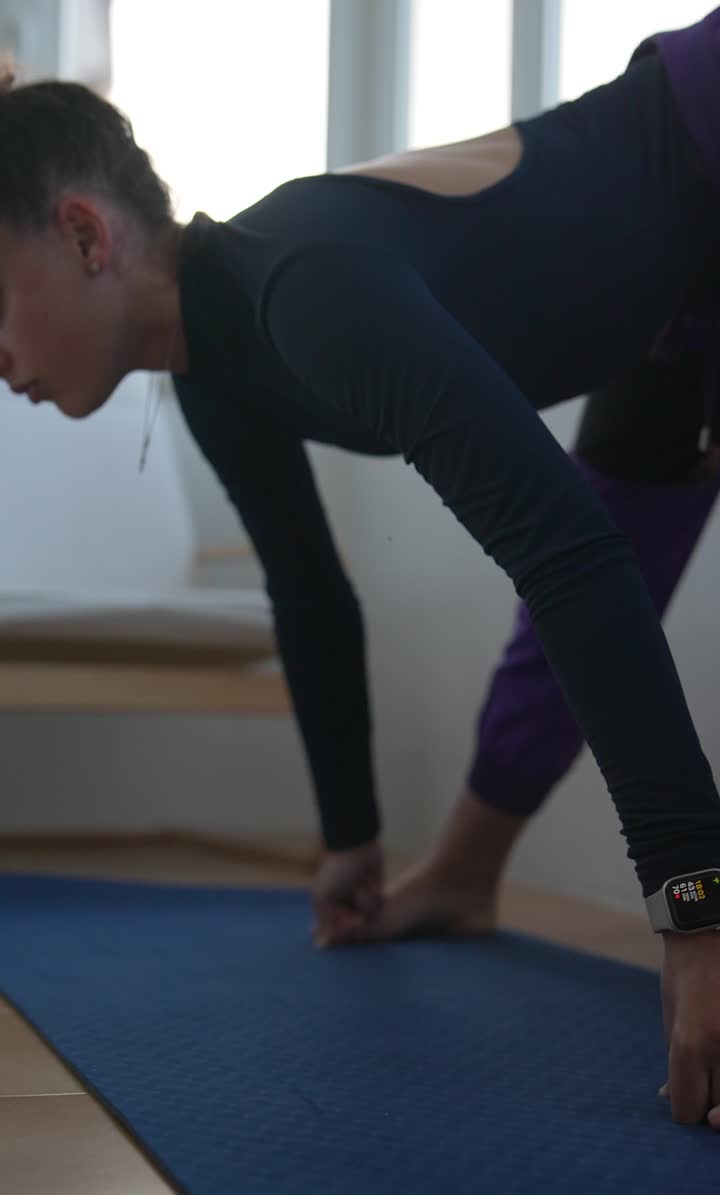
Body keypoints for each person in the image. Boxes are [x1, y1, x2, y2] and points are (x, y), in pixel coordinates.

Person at [1, 10, 720, 1128]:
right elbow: (310, 593)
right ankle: (463, 877)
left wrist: (694, 911)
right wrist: (352, 840)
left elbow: (564, 548)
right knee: (585, 587)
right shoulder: (213, 370)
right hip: (673, 294)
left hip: (704, 131)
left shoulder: (300, 283)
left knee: (578, 558)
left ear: (87, 235)